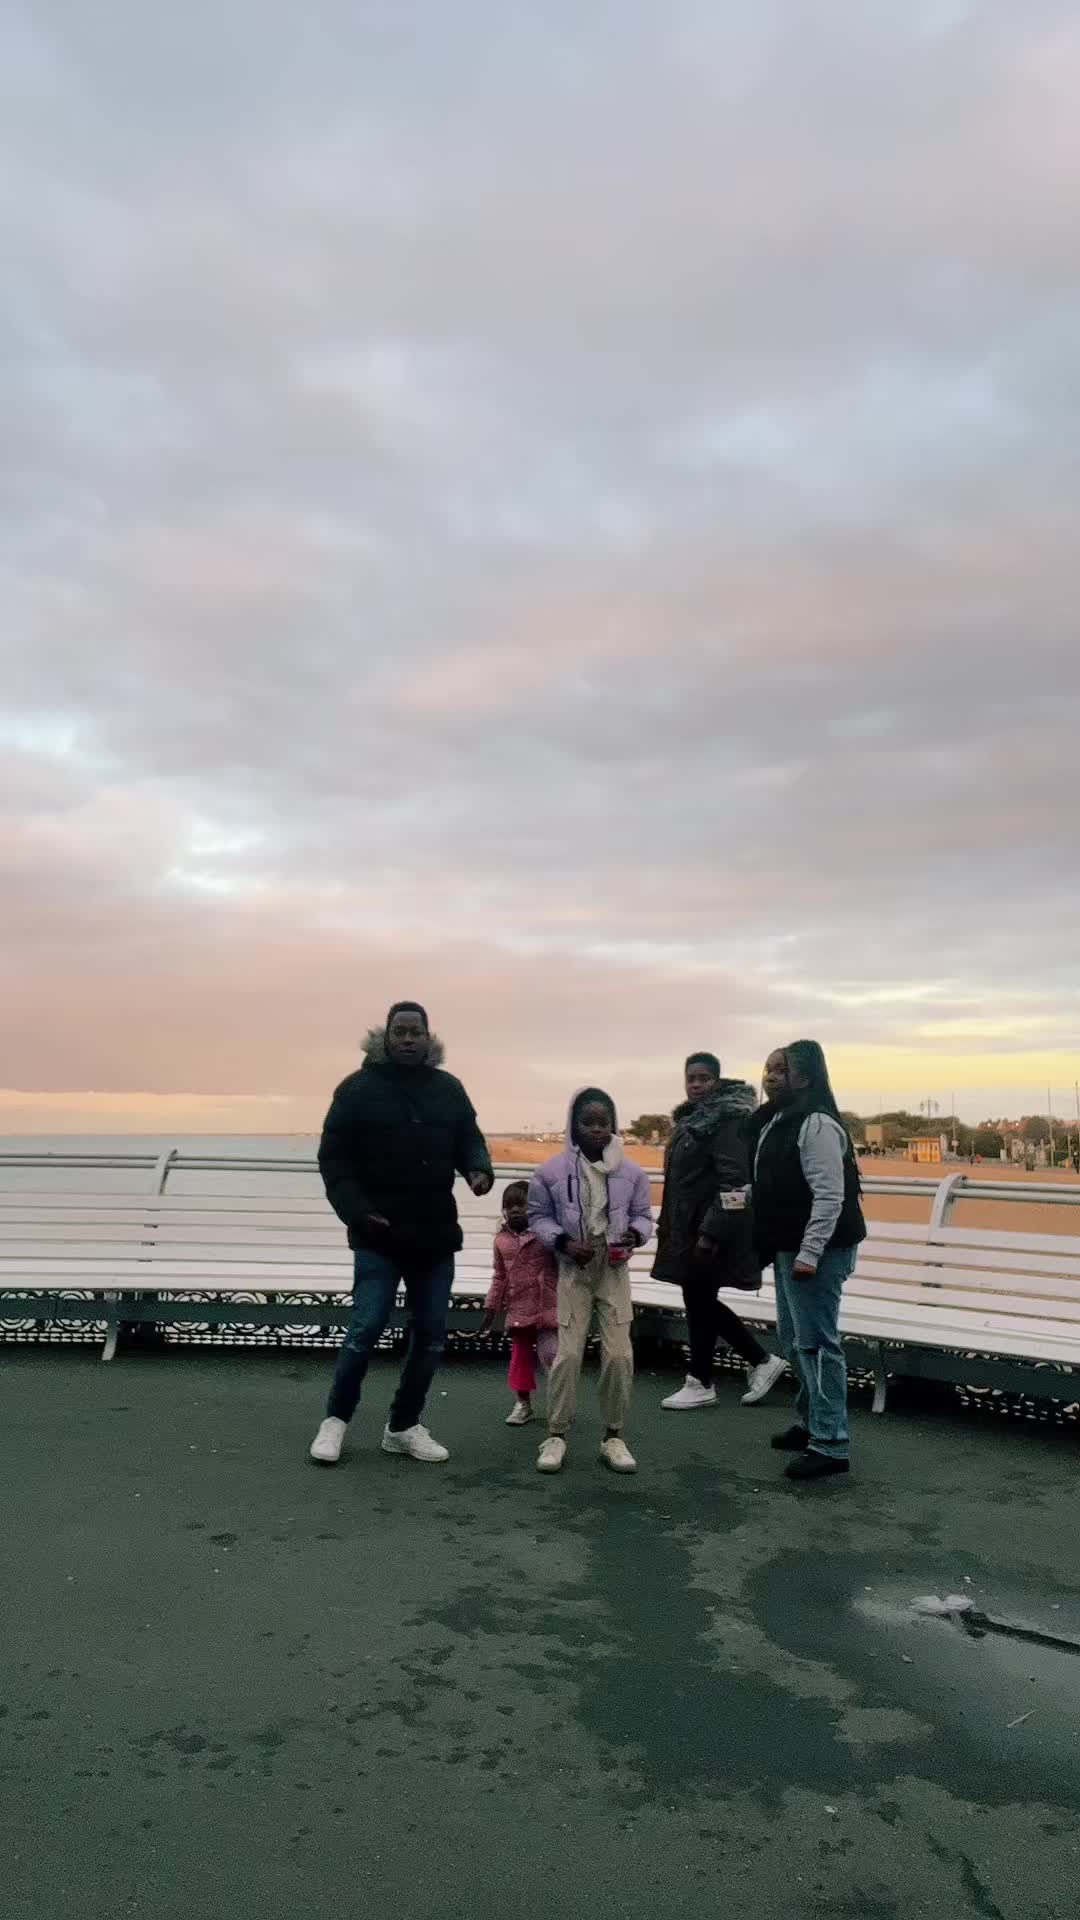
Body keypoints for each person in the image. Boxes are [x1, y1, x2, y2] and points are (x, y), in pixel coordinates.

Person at [309, 1002, 494, 1466]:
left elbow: (468, 1137)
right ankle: (335, 1421)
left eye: (416, 1032)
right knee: (365, 1327)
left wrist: (477, 1169)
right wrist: (358, 1212)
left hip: (434, 1234)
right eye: (400, 1032)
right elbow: (334, 1160)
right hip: (378, 1234)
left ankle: (403, 1426)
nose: (408, 1039)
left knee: (430, 1335)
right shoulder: (357, 1089)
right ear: (386, 1037)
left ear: (428, 1037)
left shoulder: (448, 1089)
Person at [751, 1040, 866, 1482]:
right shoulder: (779, 1119)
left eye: (781, 1069)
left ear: (806, 1075)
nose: (771, 1077)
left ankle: (831, 1442)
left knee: (817, 1345)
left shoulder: (815, 1122)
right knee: (793, 1338)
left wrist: (811, 1252)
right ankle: (812, 1421)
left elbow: (829, 1195)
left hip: (817, 1251)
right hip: (789, 1246)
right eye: (768, 1068)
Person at [527, 1088, 654, 1475]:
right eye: (588, 1122)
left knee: (619, 1355)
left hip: (613, 1269)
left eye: (604, 1122)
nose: (597, 1130)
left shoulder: (632, 1173)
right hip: (574, 1268)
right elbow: (538, 1216)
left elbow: (643, 1216)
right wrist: (563, 1242)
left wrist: (635, 1233)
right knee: (567, 1353)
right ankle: (556, 1434)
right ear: (574, 1125)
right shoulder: (550, 1172)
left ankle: (613, 1435)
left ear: (613, 1125)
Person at [654, 1051, 786, 1410]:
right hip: (690, 1229)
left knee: (699, 1300)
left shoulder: (725, 1122)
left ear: (717, 1080)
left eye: (704, 1078)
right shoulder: (694, 1120)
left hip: (708, 1232)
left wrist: (711, 1232)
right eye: (691, 1079)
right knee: (698, 1300)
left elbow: (735, 1183)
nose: (696, 1085)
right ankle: (710, 1377)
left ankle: (732, 1370)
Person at [477, 1180, 559, 1426]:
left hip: (548, 1306)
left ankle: (560, 1403)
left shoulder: (548, 1235)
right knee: (520, 1359)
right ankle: (523, 1404)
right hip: (519, 1309)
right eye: (509, 1205)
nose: (514, 1210)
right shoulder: (501, 1240)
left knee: (552, 1355)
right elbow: (500, 1276)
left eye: (520, 1204)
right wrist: (491, 1307)